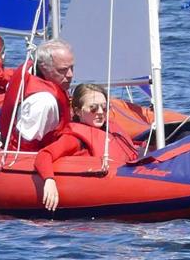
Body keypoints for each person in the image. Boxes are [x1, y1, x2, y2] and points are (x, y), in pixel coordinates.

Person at [35, 83, 137, 212]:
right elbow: (44, 155)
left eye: (105, 108)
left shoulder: (110, 130)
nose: (100, 112)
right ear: (77, 111)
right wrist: (49, 180)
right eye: (93, 108)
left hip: (127, 177)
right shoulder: (74, 139)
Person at [0, 39, 75, 151]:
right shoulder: (43, 102)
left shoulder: (28, 70)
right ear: (44, 67)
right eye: (62, 70)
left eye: (72, 67)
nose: (70, 75)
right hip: (31, 158)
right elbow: (26, 146)